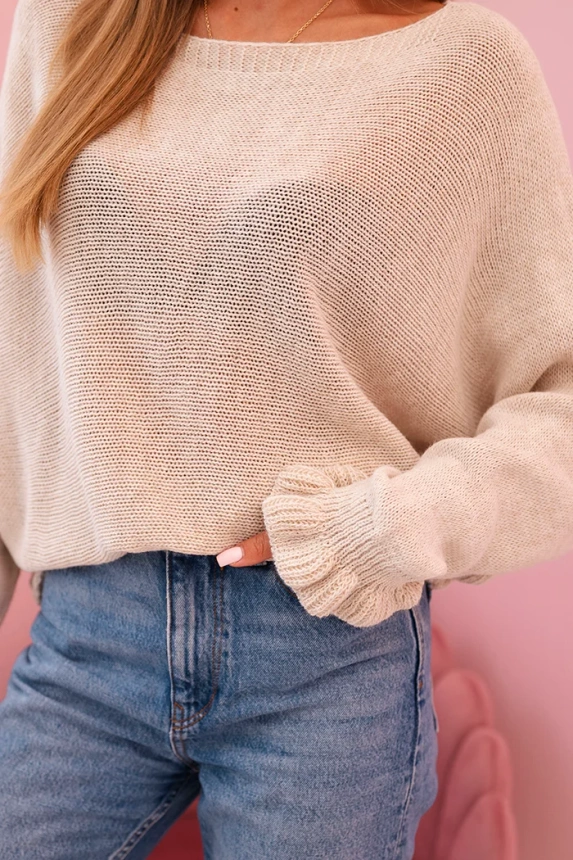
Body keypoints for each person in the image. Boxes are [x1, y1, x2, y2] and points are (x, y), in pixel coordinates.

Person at [0, 0, 571, 857]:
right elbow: (18, 346)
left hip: (325, 652)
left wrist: (386, 530)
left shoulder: (464, 69)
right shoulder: (74, 21)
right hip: (90, 630)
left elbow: (558, 394)